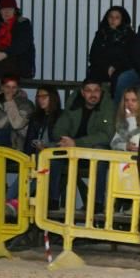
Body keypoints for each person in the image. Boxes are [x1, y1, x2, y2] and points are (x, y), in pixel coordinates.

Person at [52, 79, 115, 209]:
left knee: (100, 153)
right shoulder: (74, 105)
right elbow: (58, 129)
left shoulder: (108, 107)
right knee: (54, 154)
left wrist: (77, 142)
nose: (93, 94)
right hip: (72, 152)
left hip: (91, 152)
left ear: (101, 92)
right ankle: (51, 201)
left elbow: (106, 136)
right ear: (82, 92)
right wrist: (65, 140)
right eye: (88, 91)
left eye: (96, 90)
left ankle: (97, 203)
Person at [0, 0, 36, 95]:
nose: (7, 12)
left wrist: (4, 54)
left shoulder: (23, 24)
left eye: (10, 9)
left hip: (19, 63)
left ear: (15, 10)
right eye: (4, 9)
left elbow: (22, 45)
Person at [87, 6, 136, 93]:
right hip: (102, 68)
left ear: (122, 19)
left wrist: (115, 67)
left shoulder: (129, 35)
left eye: (117, 17)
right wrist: (107, 67)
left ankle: (114, 105)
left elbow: (131, 58)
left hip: (121, 69)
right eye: (110, 17)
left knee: (118, 78)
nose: (113, 20)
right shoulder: (101, 34)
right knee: (92, 77)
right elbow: (93, 56)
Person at [0, 75, 34, 150]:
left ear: (18, 88)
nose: (10, 90)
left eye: (14, 87)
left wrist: (9, 102)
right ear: (2, 87)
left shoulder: (26, 104)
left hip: (18, 144)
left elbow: (17, 124)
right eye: (7, 87)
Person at [23, 85, 62, 156]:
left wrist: (44, 148)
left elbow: (62, 143)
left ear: (53, 97)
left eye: (44, 96)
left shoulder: (62, 116)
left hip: (55, 157)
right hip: (37, 156)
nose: (40, 100)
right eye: (38, 97)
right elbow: (29, 142)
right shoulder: (35, 117)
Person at [111, 86, 140, 152]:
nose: (129, 104)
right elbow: (113, 143)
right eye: (126, 100)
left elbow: (137, 140)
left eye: (134, 100)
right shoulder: (123, 119)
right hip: (127, 158)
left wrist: (132, 119)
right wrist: (125, 146)